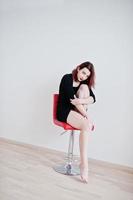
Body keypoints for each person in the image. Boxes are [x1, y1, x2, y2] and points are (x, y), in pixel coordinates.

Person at [56, 61, 96, 183]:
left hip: (78, 111)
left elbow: (93, 98)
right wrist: (86, 115)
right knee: (86, 125)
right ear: (78, 68)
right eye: (83, 73)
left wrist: (80, 101)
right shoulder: (67, 78)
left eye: (87, 76)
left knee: (84, 87)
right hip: (65, 111)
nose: (83, 77)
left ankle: (83, 164)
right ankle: (84, 164)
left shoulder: (83, 83)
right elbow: (72, 100)